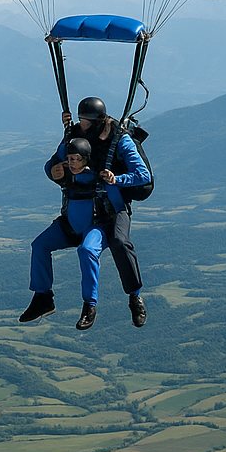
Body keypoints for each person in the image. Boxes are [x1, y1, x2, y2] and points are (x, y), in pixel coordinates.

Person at [56, 96, 149, 327]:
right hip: (91, 209)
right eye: (80, 120)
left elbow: (143, 175)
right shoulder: (78, 136)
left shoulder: (121, 141)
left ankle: (135, 297)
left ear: (97, 121)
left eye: (85, 120)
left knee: (119, 241)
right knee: (85, 249)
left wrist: (117, 179)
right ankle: (89, 306)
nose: (82, 125)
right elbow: (58, 162)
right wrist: (66, 131)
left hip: (115, 207)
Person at [21, 138, 107, 330]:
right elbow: (53, 162)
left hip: (94, 226)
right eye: (70, 159)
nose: (73, 164)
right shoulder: (66, 170)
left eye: (77, 159)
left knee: (87, 251)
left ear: (86, 159)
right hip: (70, 225)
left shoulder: (98, 173)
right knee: (40, 245)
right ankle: (43, 297)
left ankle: (89, 305)